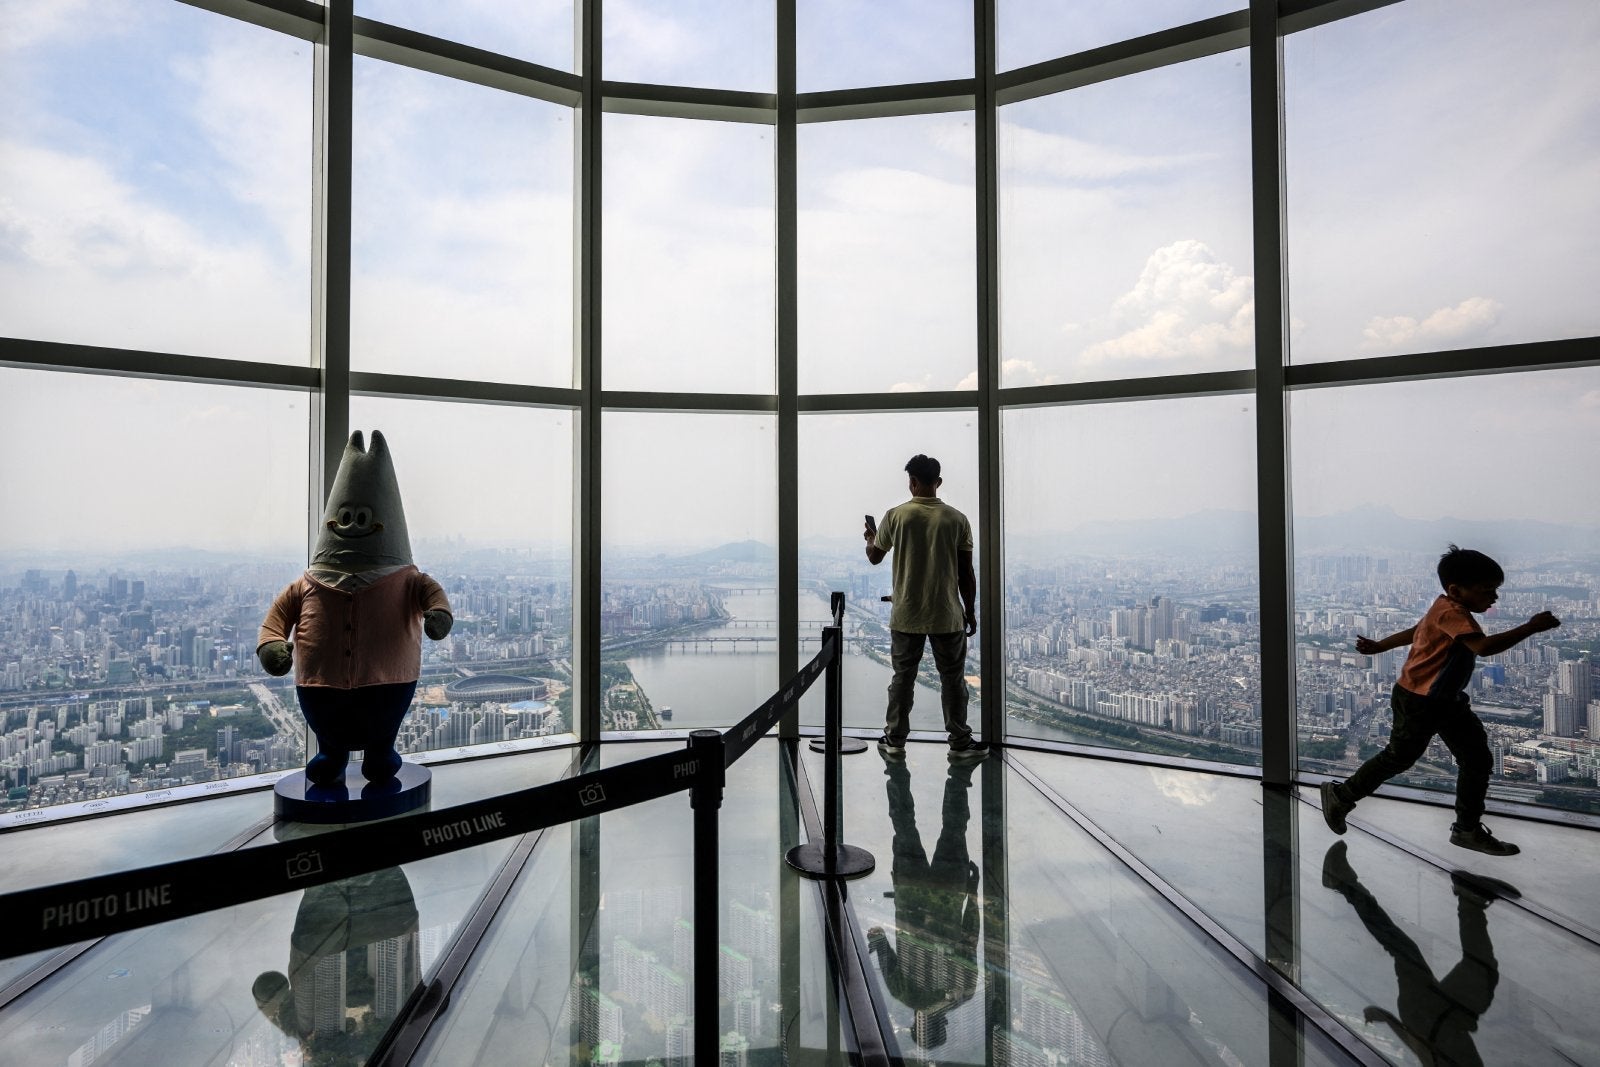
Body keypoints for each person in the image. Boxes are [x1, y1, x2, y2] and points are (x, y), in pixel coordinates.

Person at [1320, 545, 1560, 856]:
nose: (1494, 598)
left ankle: (1467, 829)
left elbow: (1417, 631)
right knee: (1400, 757)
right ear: (1456, 590)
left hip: (1445, 700)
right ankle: (1341, 795)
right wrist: (1530, 627)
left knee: (1476, 759)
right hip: (1420, 700)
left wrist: (1380, 646)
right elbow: (1483, 648)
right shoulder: (1452, 612)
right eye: (1487, 590)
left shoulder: (1444, 608)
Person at [1321, 841, 1508, 1067]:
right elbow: (1422, 1051)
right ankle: (1469, 902)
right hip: (1447, 1016)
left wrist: (1389, 1019)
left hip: (1428, 1014)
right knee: (1479, 969)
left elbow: (1423, 1050)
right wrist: (1388, 1019)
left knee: (1406, 949)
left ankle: (1343, 882)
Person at [865, 454, 986, 759]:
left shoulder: (896, 516)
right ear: (938, 482)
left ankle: (894, 741)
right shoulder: (957, 519)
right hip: (947, 614)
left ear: (912, 482)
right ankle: (959, 742)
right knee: (953, 680)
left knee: (902, 679)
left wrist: (870, 537)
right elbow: (966, 573)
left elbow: (874, 556)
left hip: (906, 615)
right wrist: (969, 611)